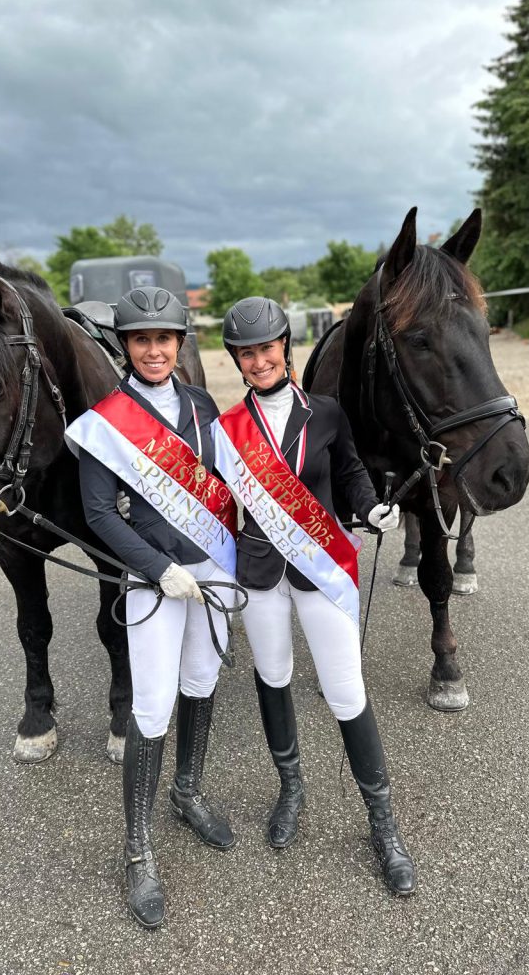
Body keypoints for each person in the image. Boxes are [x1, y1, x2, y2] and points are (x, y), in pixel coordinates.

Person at [212, 297, 417, 896]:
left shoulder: (326, 413)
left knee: (345, 689)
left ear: (285, 349)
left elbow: (351, 474)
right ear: (237, 361)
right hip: (260, 573)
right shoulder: (227, 431)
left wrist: (369, 507)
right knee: (273, 677)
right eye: (245, 354)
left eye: (266, 348)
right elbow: (217, 501)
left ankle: (383, 825)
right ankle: (290, 788)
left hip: (319, 565)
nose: (258, 361)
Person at [65, 286, 238, 929]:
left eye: (165, 338)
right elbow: (98, 513)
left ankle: (187, 794)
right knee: (151, 704)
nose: (155, 350)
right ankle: (138, 850)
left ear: (180, 343)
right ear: (126, 346)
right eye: (142, 339)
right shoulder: (105, 419)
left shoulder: (200, 405)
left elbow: (225, 486)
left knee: (202, 681)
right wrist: (158, 569)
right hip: (156, 582)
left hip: (213, 572)